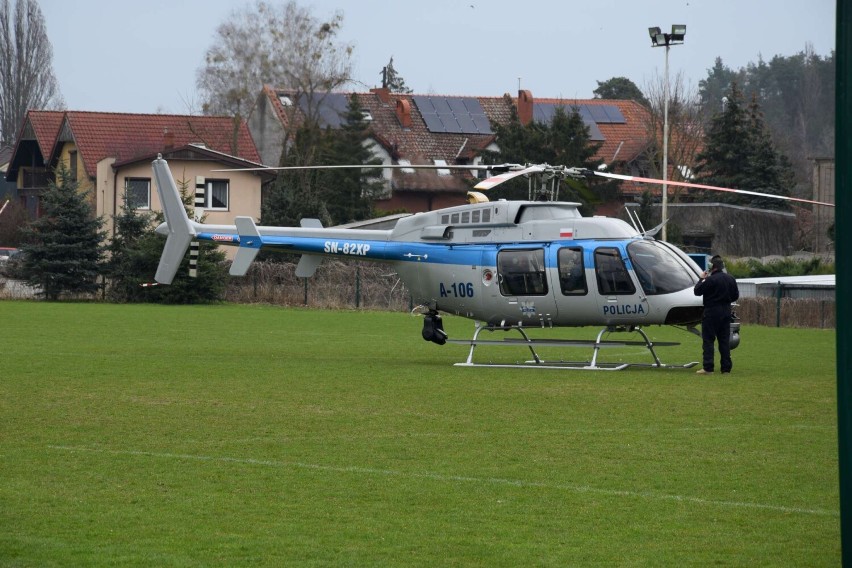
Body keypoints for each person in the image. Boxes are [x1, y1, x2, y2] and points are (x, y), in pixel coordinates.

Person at [693, 255, 740, 375]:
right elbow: (735, 296)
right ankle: (726, 369)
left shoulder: (710, 280)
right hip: (726, 312)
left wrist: (701, 279)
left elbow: (697, 291)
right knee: (724, 341)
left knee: (708, 340)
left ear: (712, 267)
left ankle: (708, 368)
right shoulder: (731, 279)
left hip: (711, 312)